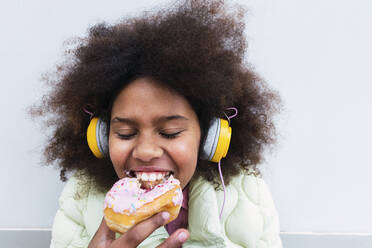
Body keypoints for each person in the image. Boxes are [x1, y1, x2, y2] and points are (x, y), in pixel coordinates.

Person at [32, 0, 283, 247]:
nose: (145, 151)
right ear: (102, 138)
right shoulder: (80, 197)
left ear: (208, 139)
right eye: (126, 133)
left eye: (170, 133)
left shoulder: (250, 196)